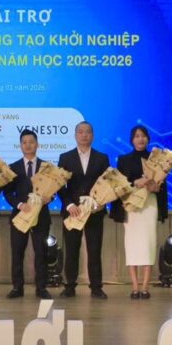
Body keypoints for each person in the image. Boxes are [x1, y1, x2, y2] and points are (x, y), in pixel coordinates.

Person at [111, 125, 168, 299]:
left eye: (143, 136)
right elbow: (119, 185)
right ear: (132, 140)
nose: (140, 139)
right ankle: (135, 286)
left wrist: (155, 186)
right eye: (136, 136)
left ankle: (145, 287)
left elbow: (162, 187)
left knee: (148, 244)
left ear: (148, 139)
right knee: (132, 245)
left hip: (149, 205)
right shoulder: (123, 160)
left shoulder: (156, 160)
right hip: (131, 207)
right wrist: (135, 182)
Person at [57, 120, 110, 299]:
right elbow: (59, 185)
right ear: (75, 135)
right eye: (80, 132)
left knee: (94, 251)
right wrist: (69, 205)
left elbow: (108, 185)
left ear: (92, 136)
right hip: (73, 212)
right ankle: (70, 286)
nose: (84, 135)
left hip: (94, 212)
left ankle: (96, 287)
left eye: (88, 132)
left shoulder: (102, 158)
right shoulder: (65, 157)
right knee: (72, 250)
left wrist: (101, 203)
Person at [4, 129, 53, 299]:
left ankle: (41, 288)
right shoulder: (12, 167)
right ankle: (17, 288)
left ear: (37, 144)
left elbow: (54, 188)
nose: (28, 145)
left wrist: (50, 197)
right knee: (17, 253)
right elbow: (7, 192)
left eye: (31, 142)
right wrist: (19, 204)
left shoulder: (46, 167)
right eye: (24, 142)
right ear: (20, 146)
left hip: (41, 217)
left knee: (41, 253)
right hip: (20, 217)